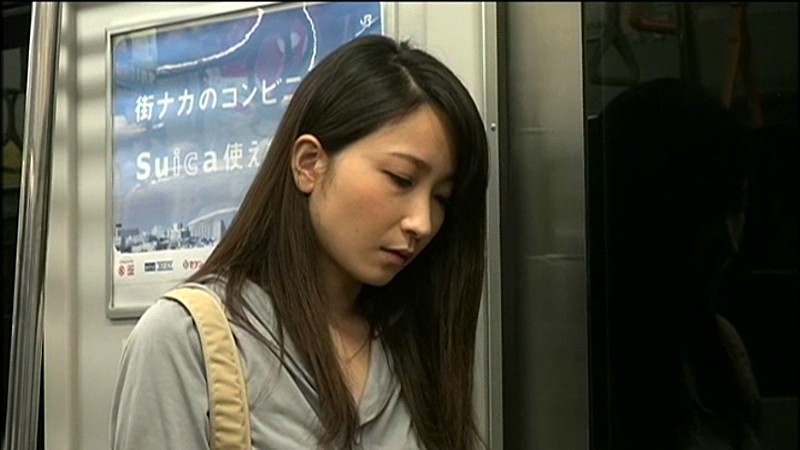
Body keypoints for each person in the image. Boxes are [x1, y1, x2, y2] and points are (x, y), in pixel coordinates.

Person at [110, 34, 489, 450]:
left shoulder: (412, 343)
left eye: (441, 198)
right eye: (401, 179)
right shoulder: (187, 340)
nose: (423, 222)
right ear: (310, 164)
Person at [594, 78, 762, 449]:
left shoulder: (721, 347)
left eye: (737, 207)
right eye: (705, 212)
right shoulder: (577, 365)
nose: (730, 242)